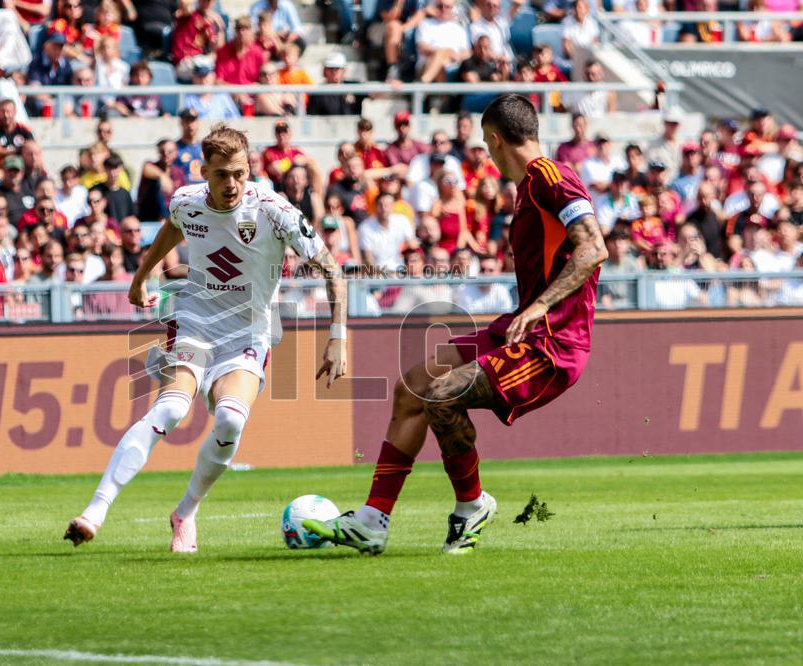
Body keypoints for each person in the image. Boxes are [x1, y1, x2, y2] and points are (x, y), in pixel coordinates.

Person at [305, 94, 607, 555]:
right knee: (413, 386)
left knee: (440, 396)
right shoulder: (530, 185)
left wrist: (540, 306)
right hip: (519, 329)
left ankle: (472, 506)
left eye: (487, 147)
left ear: (494, 139)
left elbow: (593, 248)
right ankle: (371, 520)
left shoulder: (550, 177)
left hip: (552, 345)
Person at [64, 124, 348, 552]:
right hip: (196, 322)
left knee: (231, 419)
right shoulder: (186, 202)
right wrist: (141, 278)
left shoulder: (275, 211)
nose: (231, 183)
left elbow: (332, 269)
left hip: (249, 333)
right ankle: (95, 511)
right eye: (220, 174)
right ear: (204, 171)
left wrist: (337, 337)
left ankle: (185, 512)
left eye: (239, 172)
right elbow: (172, 231)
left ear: (248, 167)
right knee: (172, 407)